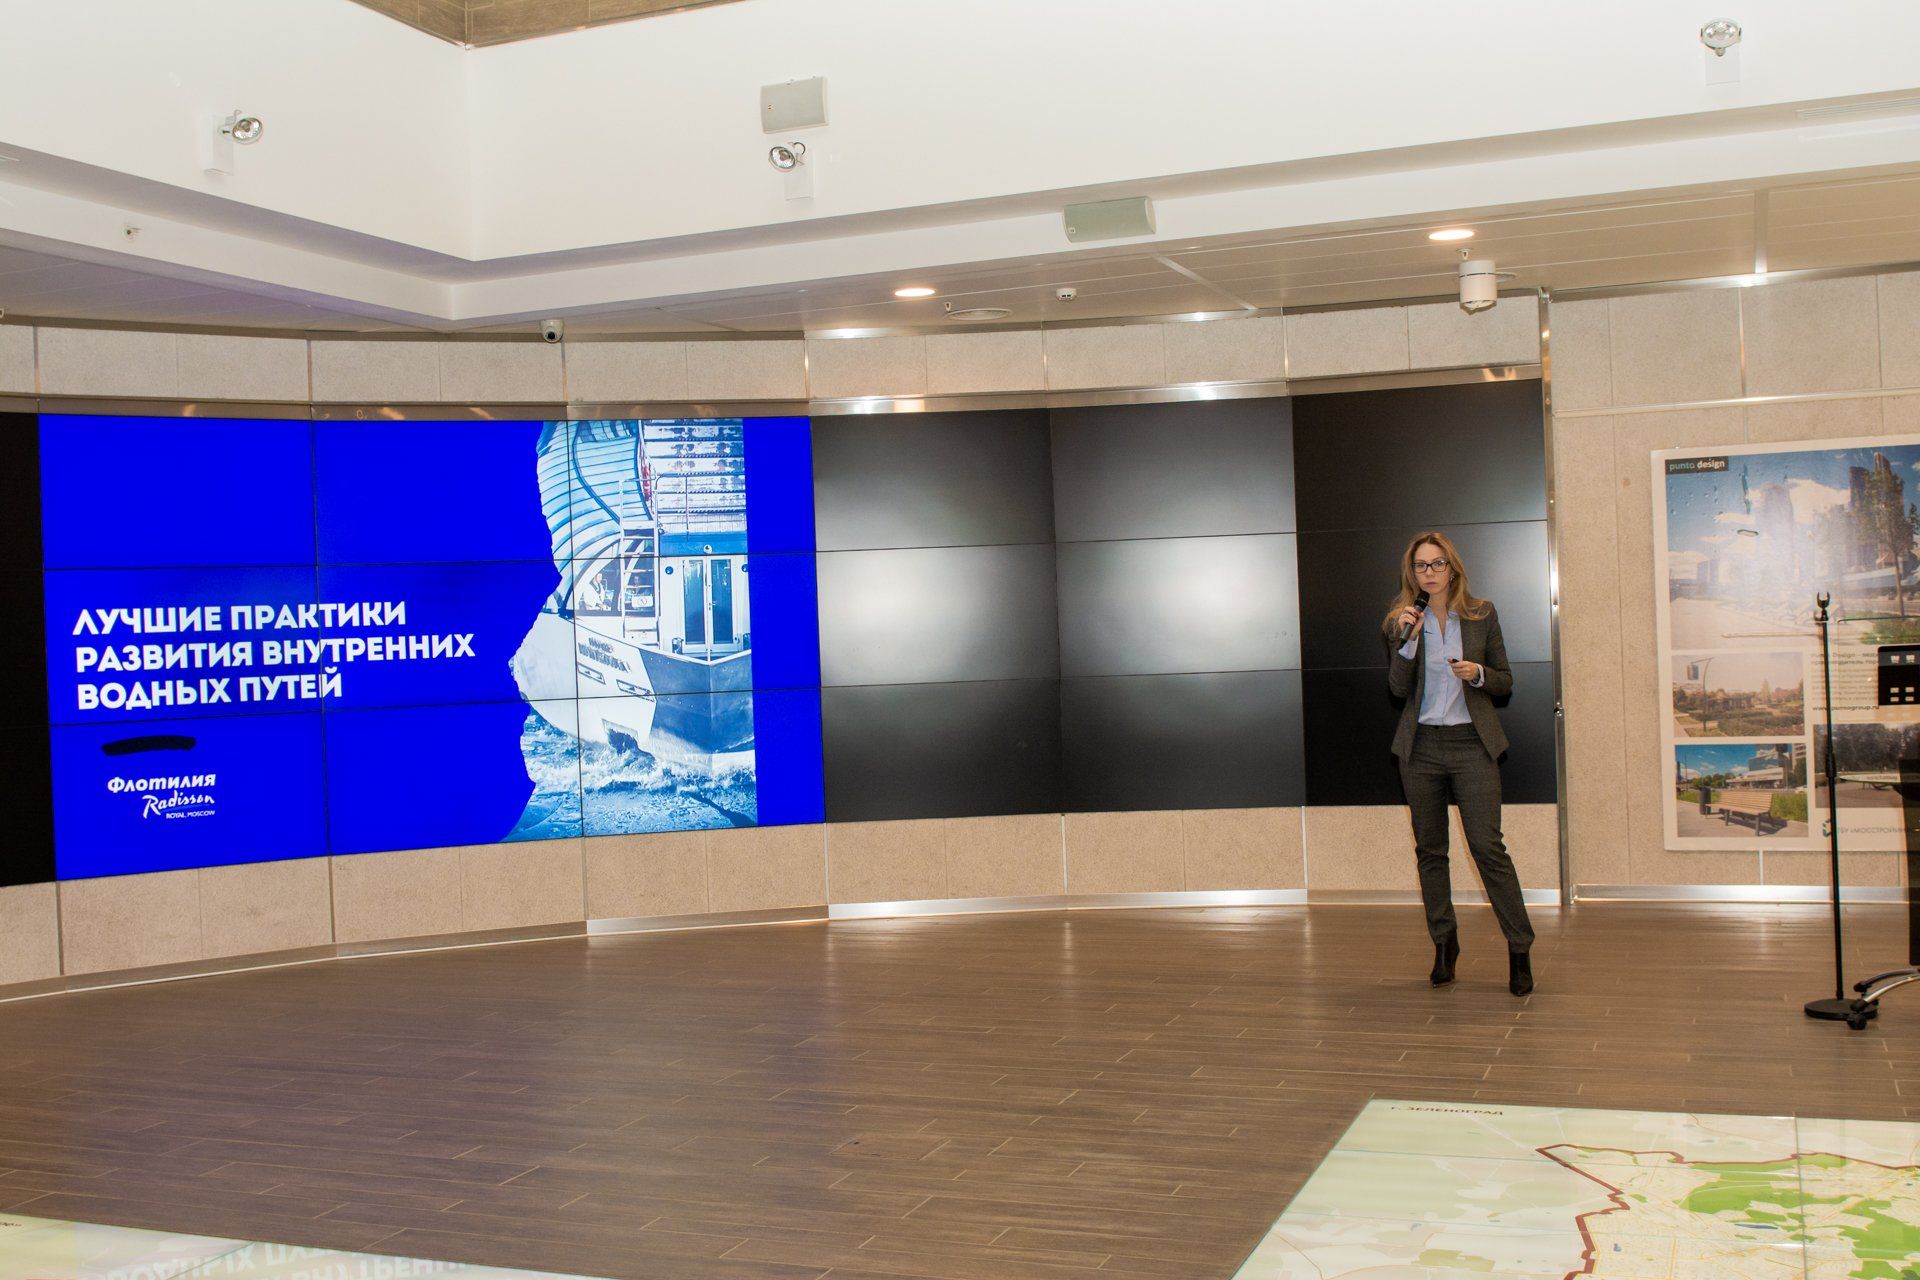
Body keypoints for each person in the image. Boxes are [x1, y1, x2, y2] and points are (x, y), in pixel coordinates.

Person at [1382, 531, 1535, 996]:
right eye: (1420, 566)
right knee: (1431, 851)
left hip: (1472, 743)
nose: (1429, 573)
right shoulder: (1400, 622)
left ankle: (1519, 949)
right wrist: (1408, 643)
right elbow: (1397, 688)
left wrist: (1479, 673)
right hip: (1421, 748)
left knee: (1488, 848)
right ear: (1412, 573)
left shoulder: (1481, 614)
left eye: (1437, 564)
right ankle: (1444, 945)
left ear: (1452, 568)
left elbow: (1505, 680)